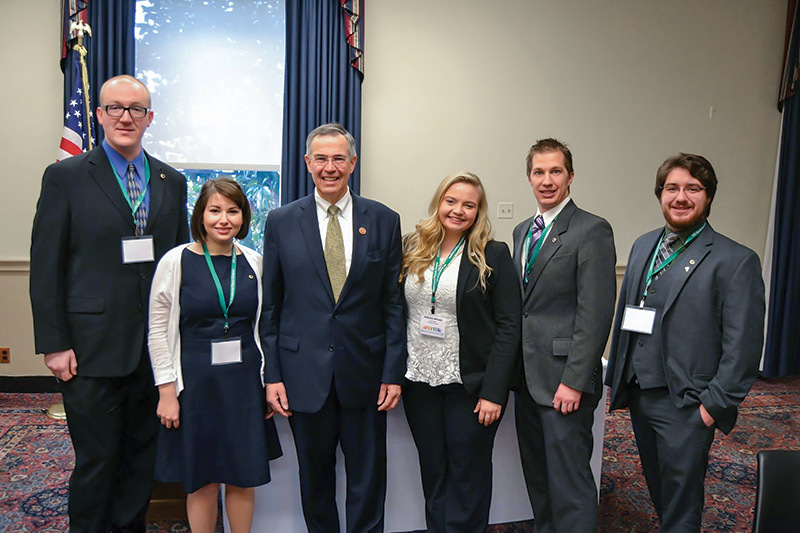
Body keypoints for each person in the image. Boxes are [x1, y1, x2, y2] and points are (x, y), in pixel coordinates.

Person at [29, 75, 189, 532]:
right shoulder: (66, 176)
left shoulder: (170, 181)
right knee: (97, 461)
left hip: (151, 351)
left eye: (136, 109)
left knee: (142, 459)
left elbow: (177, 264)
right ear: (98, 115)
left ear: (149, 118)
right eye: (115, 108)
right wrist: (54, 343)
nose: (125, 116)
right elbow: (46, 265)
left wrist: (177, 345)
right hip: (89, 349)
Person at [605, 153, 765, 532]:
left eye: (693, 189)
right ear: (660, 194)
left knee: (681, 503)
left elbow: (743, 346)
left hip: (688, 404)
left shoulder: (735, 260)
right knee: (661, 493)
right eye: (672, 188)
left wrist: (713, 407)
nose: (681, 197)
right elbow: (627, 313)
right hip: (641, 395)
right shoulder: (644, 245)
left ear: (708, 196)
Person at [262, 123, 406, 533]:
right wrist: (272, 375)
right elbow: (271, 306)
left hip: (365, 372)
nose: (330, 167)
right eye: (321, 159)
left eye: (338, 158)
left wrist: (393, 371)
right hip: (302, 373)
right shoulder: (281, 221)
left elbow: (392, 304)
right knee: (315, 478)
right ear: (307, 163)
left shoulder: (383, 219)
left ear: (353, 163)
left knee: (367, 478)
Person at [147, 177, 281, 532]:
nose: (224, 219)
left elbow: (266, 328)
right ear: (201, 216)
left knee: (242, 475)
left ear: (244, 216)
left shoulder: (255, 263)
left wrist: (268, 383)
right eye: (215, 210)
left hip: (243, 386)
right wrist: (166, 391)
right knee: (202, 479)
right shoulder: (176, 262)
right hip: (195, 388)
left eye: (233, 211)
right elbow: (158, 331)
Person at [400, 171, 520, 532]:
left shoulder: (492, 253)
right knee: (433, 471)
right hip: (419, 381)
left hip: (469, 385)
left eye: (469, 205)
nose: (458, 210)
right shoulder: (412, 247)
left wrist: (494, 392)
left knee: (468, 475)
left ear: (478, 211)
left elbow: (509, 326)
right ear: (439, 203)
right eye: (451, 201)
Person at [512, 138, 616, 533]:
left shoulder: (591, 230)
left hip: (564, 385)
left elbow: (595, 312)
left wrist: (574, 381)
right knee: (538, 480)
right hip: (527, 379)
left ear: (570, 176)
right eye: (539, 172)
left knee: (570, 485)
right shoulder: (524, 231)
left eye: (555, 171)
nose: (547, 180)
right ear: (529, 177)